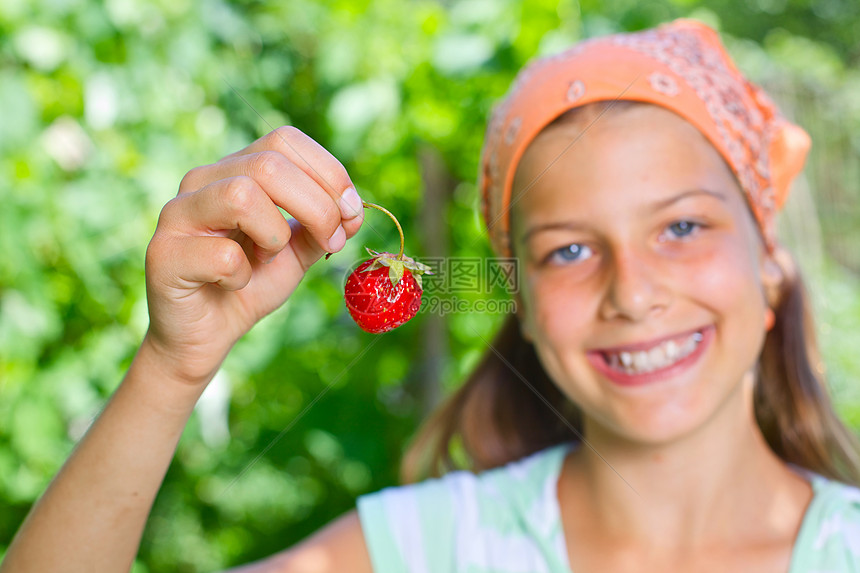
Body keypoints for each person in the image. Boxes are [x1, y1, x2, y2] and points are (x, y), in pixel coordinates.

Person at [3, 17, 859, 573]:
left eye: (681, 228)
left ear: (771, 258)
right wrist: (171, 365)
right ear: (518, 298)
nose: (632, 292)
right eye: (567, 249)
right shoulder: (426, 548)